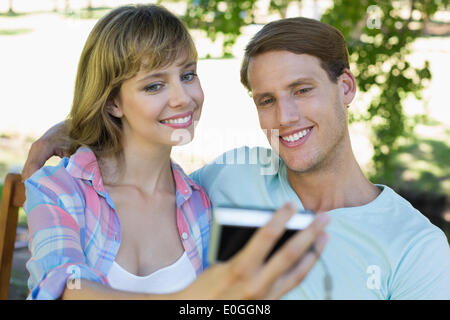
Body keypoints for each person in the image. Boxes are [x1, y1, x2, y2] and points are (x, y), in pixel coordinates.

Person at [23, 15, 450, 299]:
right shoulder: (231, 179)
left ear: (346, 88)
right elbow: (65, 282)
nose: (285, 117)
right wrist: (74, 130)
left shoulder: (416, 247)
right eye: (266, 100)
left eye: (302, 90)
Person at [21, 5, 330, 300]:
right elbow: (64, 285)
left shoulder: (201, 203)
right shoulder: (57, 189)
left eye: (187, 75)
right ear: (114, 103)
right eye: (154, 86)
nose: (183, 98)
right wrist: (187, 299)